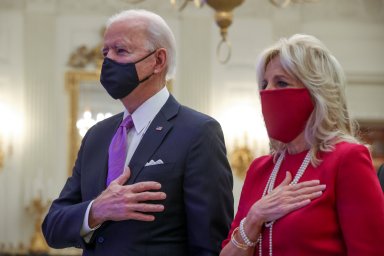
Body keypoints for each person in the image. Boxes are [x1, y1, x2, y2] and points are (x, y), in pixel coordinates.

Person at [42, 9, 234, 256]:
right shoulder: (96, 136)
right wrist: (97, 210)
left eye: (120, 51)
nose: (107, 60)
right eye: (105, 52)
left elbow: (210, 244)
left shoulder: (198, 132)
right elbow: (52, 227)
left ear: (158, 61)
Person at [221, 34, 384, 256]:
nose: (267, 92)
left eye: (281, 82)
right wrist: (255, 217)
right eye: (263, 83)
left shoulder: (347, 158)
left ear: (316, 92)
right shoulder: (260, 169)